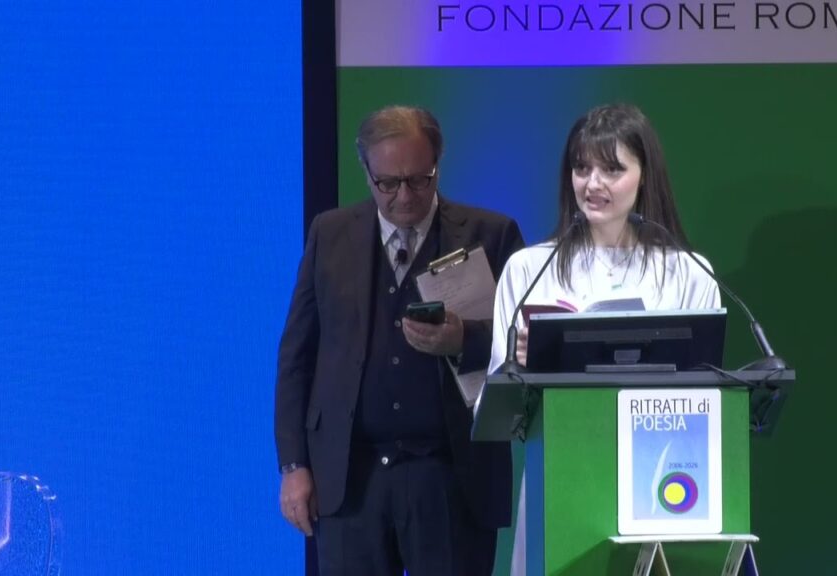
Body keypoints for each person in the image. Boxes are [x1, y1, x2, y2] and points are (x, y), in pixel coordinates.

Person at [275, 105, 525, 575]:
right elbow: (296, 358)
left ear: (438, 166)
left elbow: (524, 346)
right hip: (351, 480)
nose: (405, 196)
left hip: (452, 479)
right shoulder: (330, 234)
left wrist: (464, 339)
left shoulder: (492, 235)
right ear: (366, 173)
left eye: (418, 180)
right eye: (388, 183)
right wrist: (293, 466)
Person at [486, 103, 722, 575]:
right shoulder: (530, 271)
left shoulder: (689, 272)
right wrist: (521, 369)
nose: (592, 184)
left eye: (612, 169)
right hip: (560, 476)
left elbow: (705, 398)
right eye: (581, 168)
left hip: (660, 482)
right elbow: (499, 405)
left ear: (644, 176)